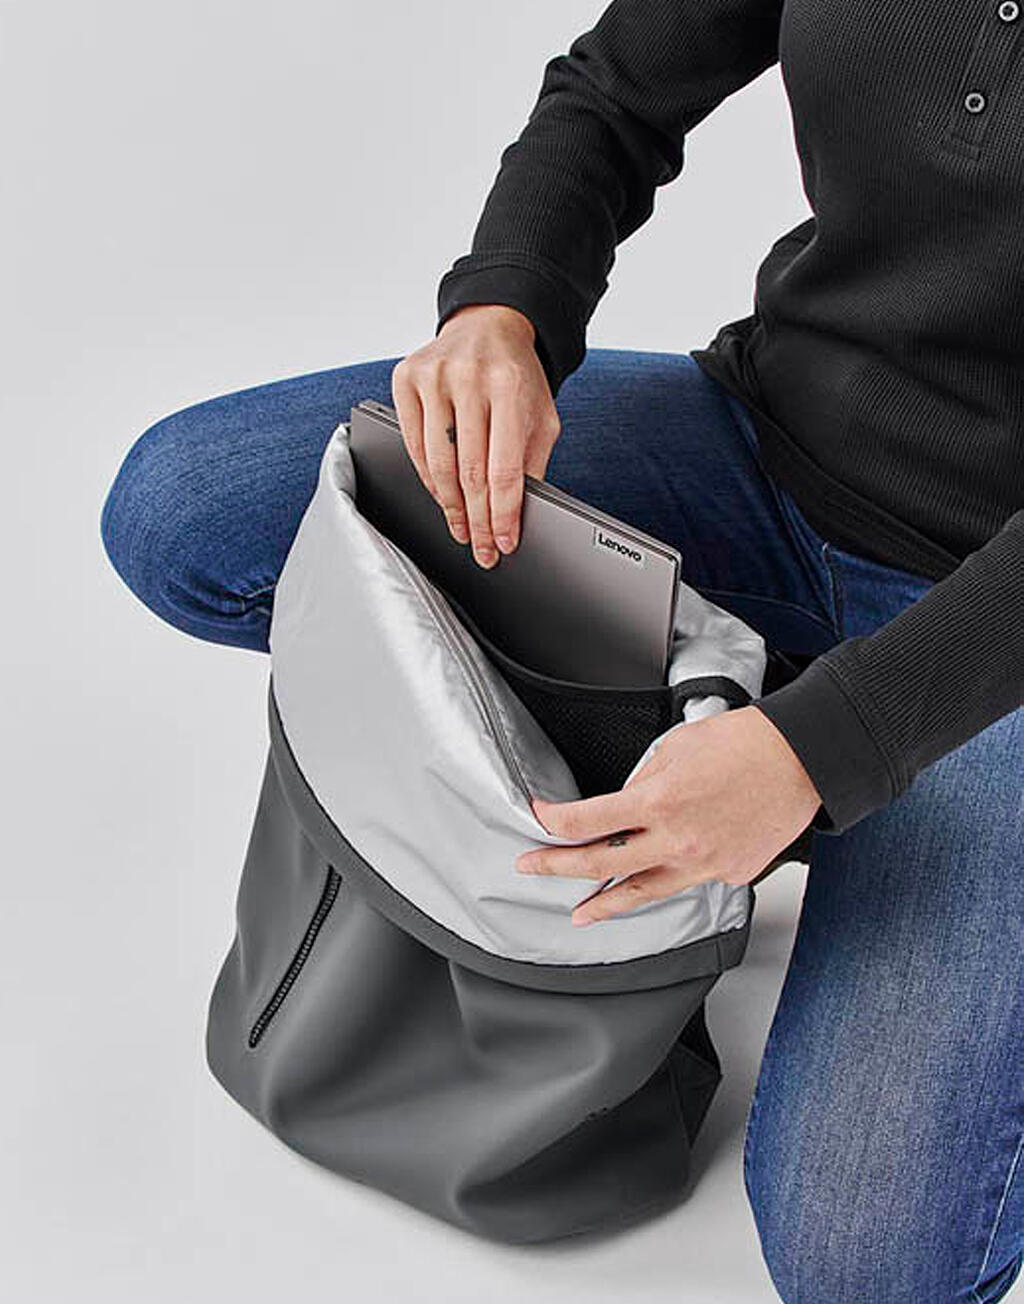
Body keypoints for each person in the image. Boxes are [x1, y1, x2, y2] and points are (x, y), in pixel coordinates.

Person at [100, 1, 1023, 1300]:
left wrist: (828, 747)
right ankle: (747, 787)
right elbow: (617, 90)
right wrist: (505, 310)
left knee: (868, 1265)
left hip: (998, 635)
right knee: (187, 511)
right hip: (764, 452)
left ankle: (813, 801)